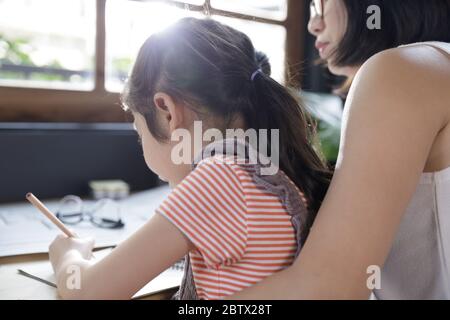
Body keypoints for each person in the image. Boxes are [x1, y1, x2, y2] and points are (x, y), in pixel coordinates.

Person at [47, 17, 331, 300]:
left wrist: (69, 255)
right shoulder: (277, 171)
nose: (140, 141)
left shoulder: (221, 178)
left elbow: (86, 292)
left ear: (167, 111)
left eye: (138, 129)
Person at [228, 0, 450, 299]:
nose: (313, 24)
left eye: (321, 3)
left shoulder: (400, 72)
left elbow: (328, 287)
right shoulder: (433, 67)